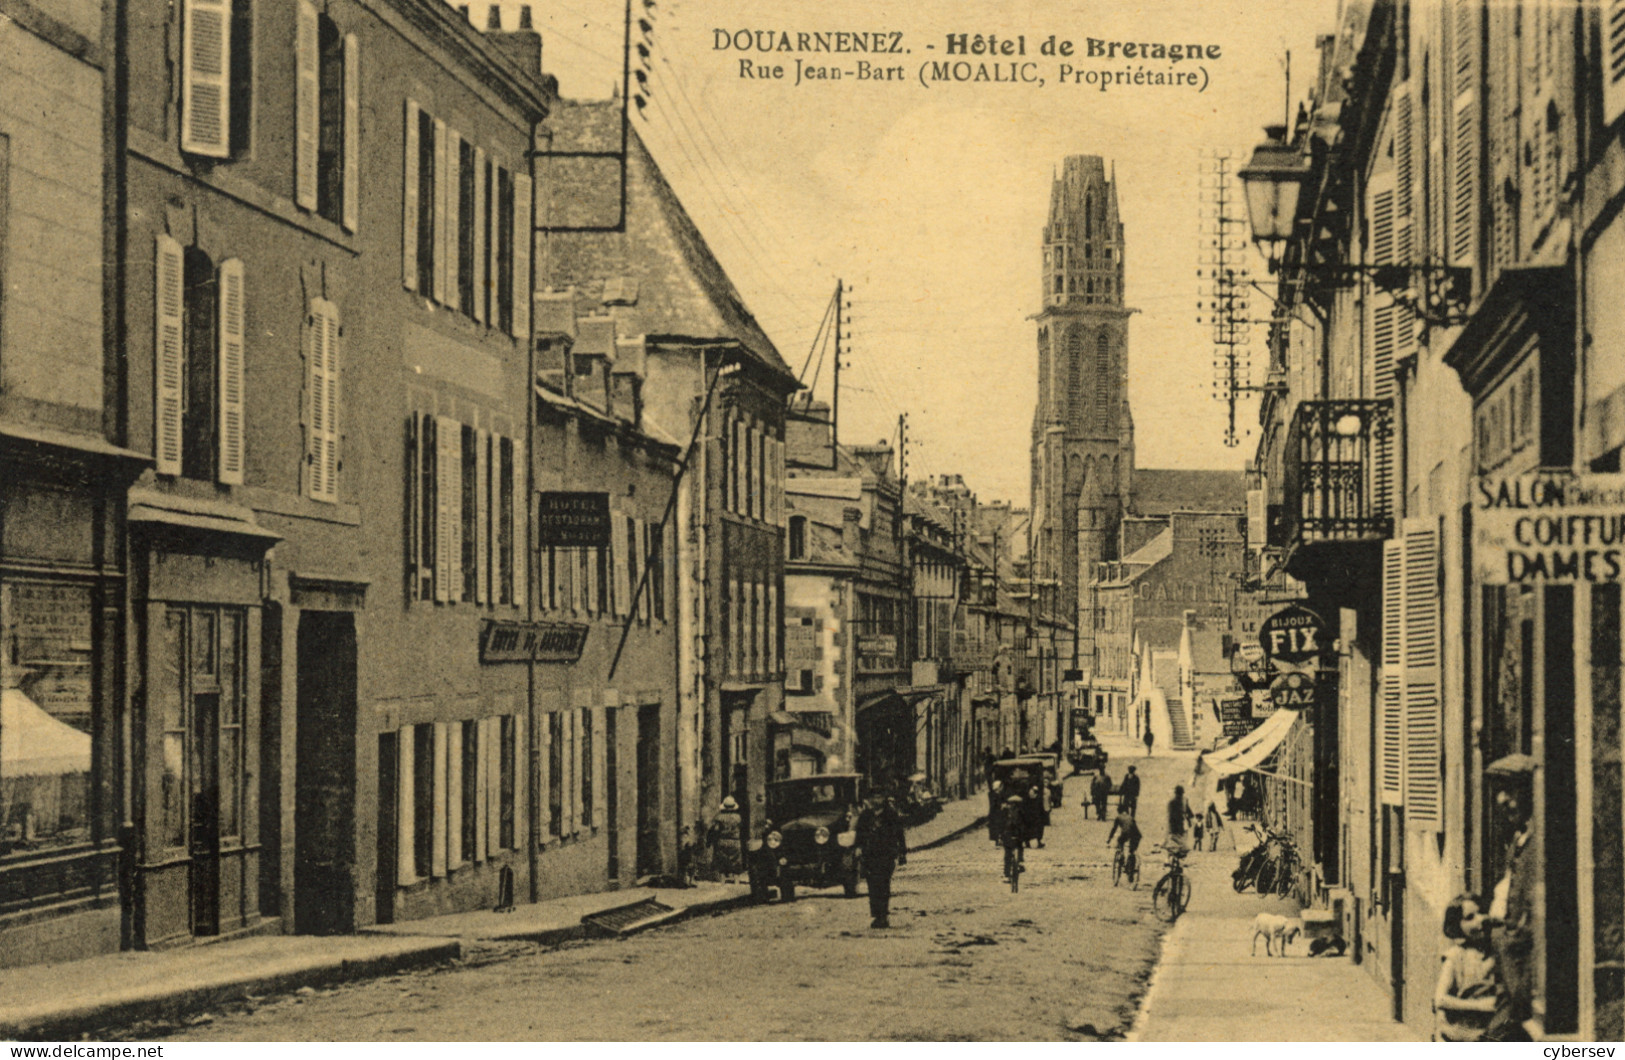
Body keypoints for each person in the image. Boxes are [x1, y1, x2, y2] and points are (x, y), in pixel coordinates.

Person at [1483, 755, 1539, 1042]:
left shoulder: (1539, 844)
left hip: (1525, 972)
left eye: (1512, 789)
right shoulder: (1519, 840)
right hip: (1508, 965)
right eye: (1499, 791)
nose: (1502, 800)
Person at [1433, 893, 1498, 1041]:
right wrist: (1479, 1005)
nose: (1480, 920)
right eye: (1469, 918)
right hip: (1462, 1033)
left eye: (1482, 913)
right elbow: (1440, 999)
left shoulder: (1496, 953)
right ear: (1457, 926)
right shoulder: (1456, 956)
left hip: (1492, 1032)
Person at [855, 788, 907, 929]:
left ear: (883, 798)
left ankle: (883, 916)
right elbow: (859, 833)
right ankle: (877, 915)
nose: (876, 800)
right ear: (870, 799)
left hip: (886, 854)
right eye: (873, 797)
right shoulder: (865, 816)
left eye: (879, 797)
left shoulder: (891, 815)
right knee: (872, 886)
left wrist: (902, 853)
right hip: (870, 855)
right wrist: (858, 848)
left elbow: (899, 834)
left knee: (883, 884)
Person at [708, 797, 743, 881]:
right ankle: (736, 882)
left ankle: (722, 882)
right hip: (735, 841)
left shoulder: (719, 817)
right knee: (735, 862)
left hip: (722, 841)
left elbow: (715, 830)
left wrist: (710, 841)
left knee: (722, 862)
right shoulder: (738, 817)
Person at [1106, 805, 1143, 880]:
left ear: (1118, 811)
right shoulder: (1130, 817)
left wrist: (1109, 838)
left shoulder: (1118, 817)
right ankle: (1131, 872)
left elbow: (1114, 829)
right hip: (1137, 835)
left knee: (1120, 841)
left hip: (1126, 833)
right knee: (1132, 852)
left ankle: (1122, 856)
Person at [1000, 794, 1027, 881]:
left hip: (1010, 835)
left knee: (1008, 854)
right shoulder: (1022, 812)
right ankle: (1020, 863)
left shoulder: (1006, 812)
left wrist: (1000, 836)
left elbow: (1001, 825)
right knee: (1018, 848)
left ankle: (1007, 874)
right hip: (1016, 835)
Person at [1165, 784, 1194, 855]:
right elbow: (1170, 816)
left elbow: (1188, 811)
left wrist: (1189, 819)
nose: (1180, 796)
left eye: (1180, 794)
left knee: (1182, 844)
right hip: (1174, 827)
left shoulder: (1184, 800)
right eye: (1179, 794)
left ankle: (1178, 859)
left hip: (1182, 826)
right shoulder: (1172, 802)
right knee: (1173, 844)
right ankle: (1170, 859)